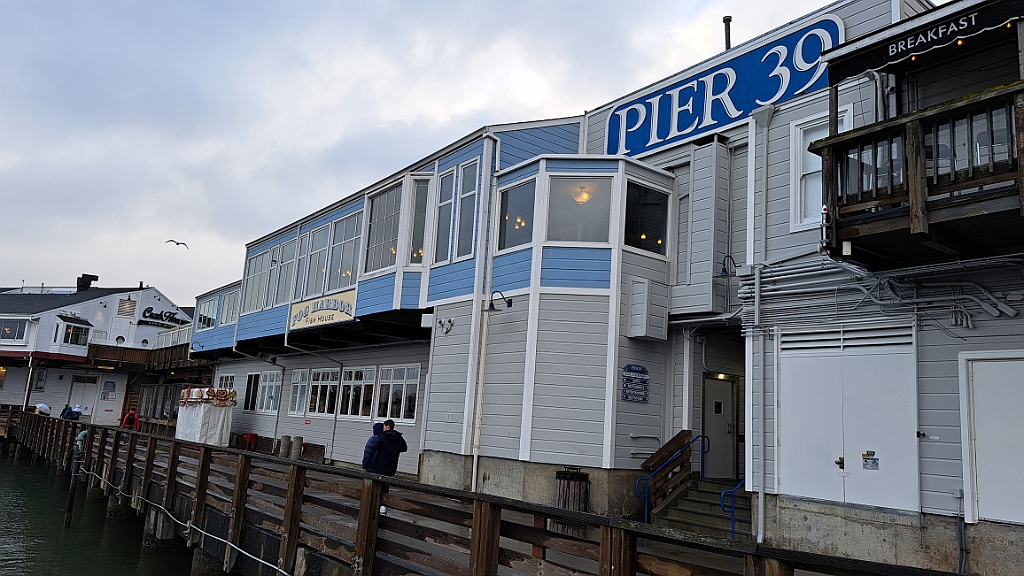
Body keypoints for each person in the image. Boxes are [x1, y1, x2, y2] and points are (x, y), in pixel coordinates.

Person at [361, 419, 407, 515]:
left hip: (377, 467)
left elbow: (369, 452)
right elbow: (404, 448)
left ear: (387, 427)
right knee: (385, 487)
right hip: (390, 468)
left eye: (384, 426)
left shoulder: (380, 437)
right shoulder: (398, 439)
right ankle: (382, 506)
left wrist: (365, 465)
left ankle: (370, 504)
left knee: (373, 486)